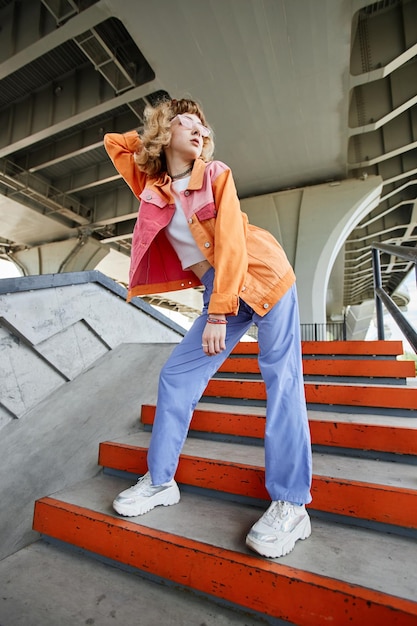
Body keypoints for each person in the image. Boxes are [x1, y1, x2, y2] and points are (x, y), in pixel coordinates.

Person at [104, 97, 312, 559]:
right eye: (187, 124)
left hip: (263, 276)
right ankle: (160, 482)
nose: (198, 131)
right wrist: (159, 136)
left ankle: (292, 504)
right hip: (221, 286)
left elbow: (234, 242)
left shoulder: (215, 173)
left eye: (202, 125)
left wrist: (218, 312)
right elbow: (115, 143)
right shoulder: (152, 182)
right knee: (176, 376)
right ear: (165, 132)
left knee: (282, 382)